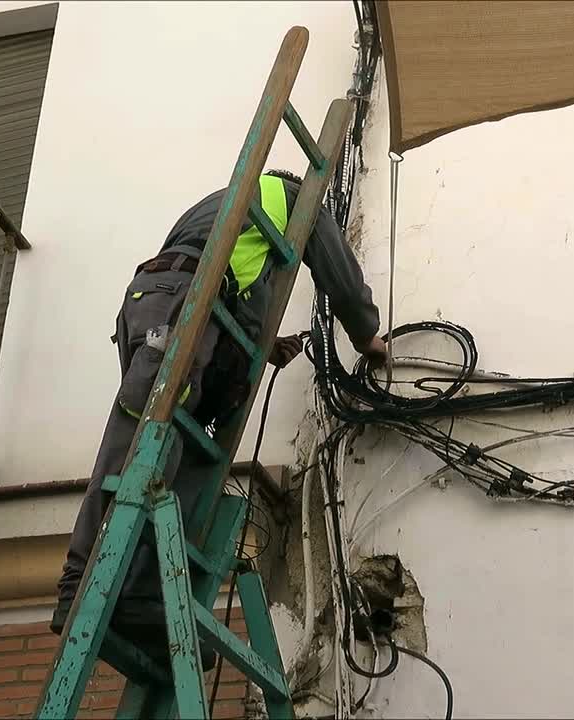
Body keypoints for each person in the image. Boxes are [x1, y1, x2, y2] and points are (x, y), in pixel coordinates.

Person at [51, 170, 387, 656]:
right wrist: (366, 336)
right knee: (141, 447)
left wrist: (257, 343)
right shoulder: (293, 197)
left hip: (155, 305)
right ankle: (83, 586)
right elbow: (342, 277)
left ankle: (143, 592)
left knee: (161, 444)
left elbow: (215, 270)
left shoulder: (224, 203)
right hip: (185, 308)